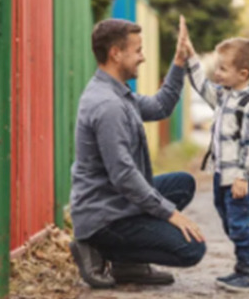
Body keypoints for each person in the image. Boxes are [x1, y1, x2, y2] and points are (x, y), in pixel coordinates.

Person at [69, 16, 206, 289]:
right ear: (115, 53)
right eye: (138, 50)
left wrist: (179, 62)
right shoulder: (107, 105)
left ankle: (127, 266)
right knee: (192, 249)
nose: (143, 57)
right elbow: (123, 175)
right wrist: (170, 214)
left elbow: (160, 107)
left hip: (116, 201)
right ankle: (97, 247)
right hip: (104, 215)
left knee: (182, 184)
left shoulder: (117, 93)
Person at [182, 17, 249, 292]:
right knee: (230, 222)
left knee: (241, 225)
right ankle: (242, 267)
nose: (217, 74)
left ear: (244, 73)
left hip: (240, 179)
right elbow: (201, 85)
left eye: (223, 69)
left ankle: (246, 272)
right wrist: (190, 55)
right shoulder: (225, 95)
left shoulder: (245, 103)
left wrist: (244, 178)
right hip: (223, 175)